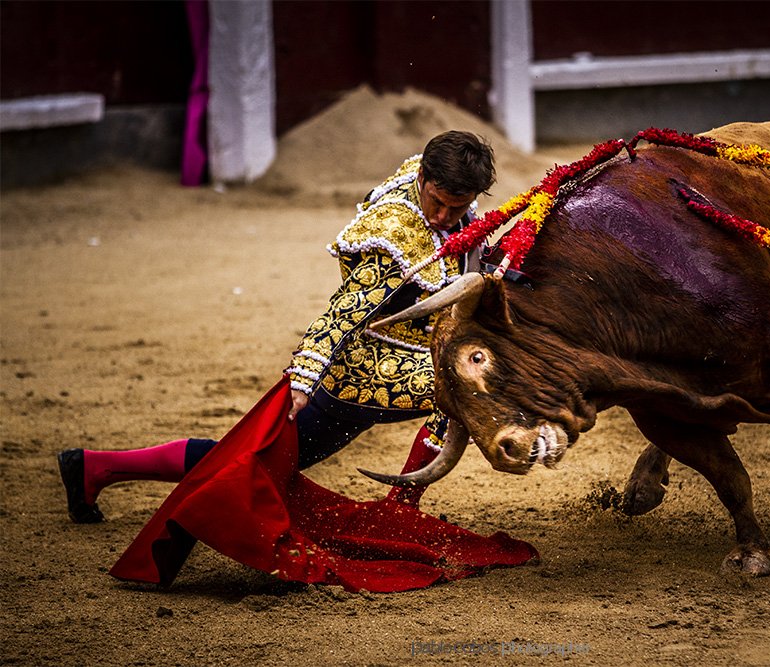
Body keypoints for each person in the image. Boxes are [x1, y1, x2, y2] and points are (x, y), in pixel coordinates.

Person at [58, 130, 496, 524]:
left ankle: (97, 466)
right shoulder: (394, 234)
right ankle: (400, 512)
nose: (442, 217)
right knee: (461, 385)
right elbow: (341, 313)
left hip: (407, 355)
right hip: (364, 367)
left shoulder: (442, 186)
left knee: (253, 460)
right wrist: (303, 379)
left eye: (455, 208)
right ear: (422, 177)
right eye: (436, 202)